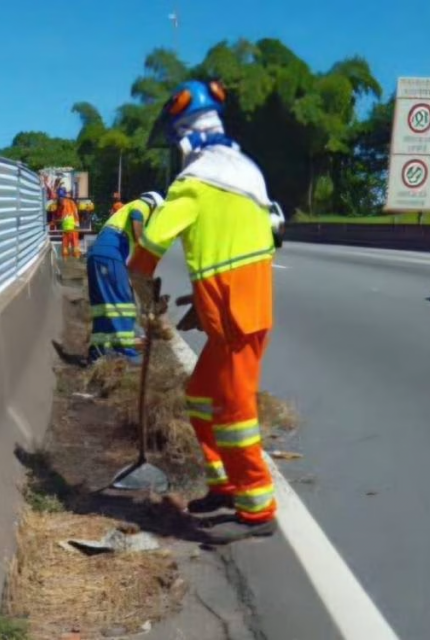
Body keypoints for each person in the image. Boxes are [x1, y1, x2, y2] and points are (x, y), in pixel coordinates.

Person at [127, 79, 279, 543]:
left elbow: (151, 242)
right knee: (199, 395)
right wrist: (205, 297)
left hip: (237, 314)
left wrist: (140, 281)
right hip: (234, 309)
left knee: (233, 412)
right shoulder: (246, 174)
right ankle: (224, 485)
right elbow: (262, 235)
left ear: (185, 138)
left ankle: (257, 509)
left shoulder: (194, 184)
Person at [85, 191, 165, 363]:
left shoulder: (121, 216)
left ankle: (97, 352)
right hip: (110, 255)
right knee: (123, 305)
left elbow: (132, 268)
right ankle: (127, 353)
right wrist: (145, 245)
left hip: (96, 257)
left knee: (102, 308)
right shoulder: (143, 204)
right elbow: (137, 218)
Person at [56, 187, 81, 259]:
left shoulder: (59, 204)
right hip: (72, 226)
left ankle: (66, 258)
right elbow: (75, 213)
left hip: (66, 227)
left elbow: (59, 216)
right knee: (75, 243)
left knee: (65, 243)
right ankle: (76, 257)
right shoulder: (71, 202)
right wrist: (77, 223)